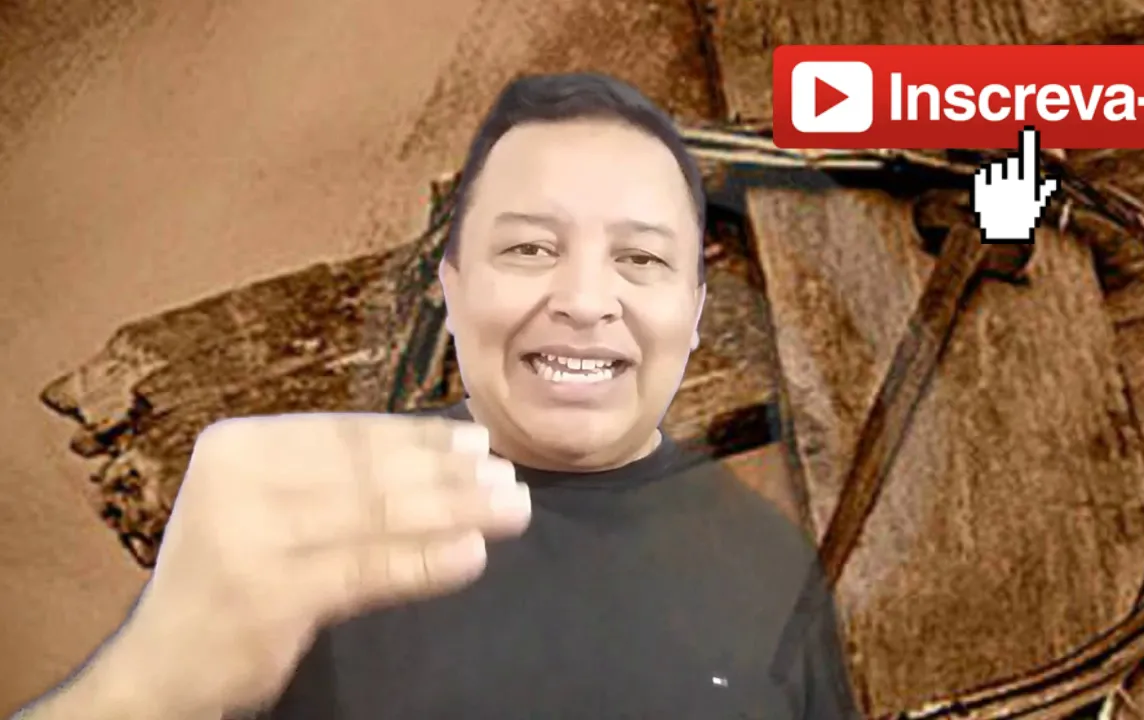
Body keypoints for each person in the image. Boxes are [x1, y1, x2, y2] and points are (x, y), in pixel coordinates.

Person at [15, 72, 861, 720]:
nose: (583, 301)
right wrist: (145, 686)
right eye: (529, 250)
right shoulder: (323, 550)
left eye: (639, 260)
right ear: (451, 288)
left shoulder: (765, 569)